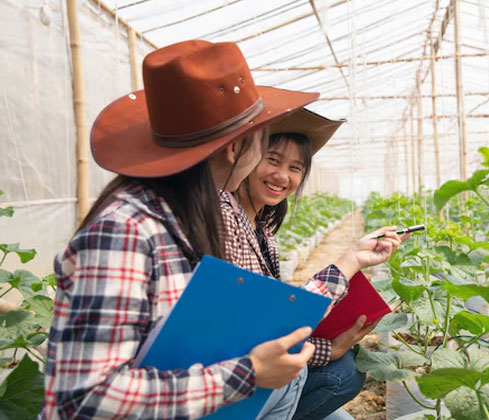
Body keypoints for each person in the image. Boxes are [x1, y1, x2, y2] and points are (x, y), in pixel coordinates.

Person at [40, 40, 403, 420]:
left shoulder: (186, 216)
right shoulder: (125, 231)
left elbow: (248, 322)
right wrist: (248, 374)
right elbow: (83, 399)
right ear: (237, 150)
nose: (280, 171)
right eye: (265, 143)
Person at [219, 109, 407, 420]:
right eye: (273, 160)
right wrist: (349, 261)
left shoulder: (262, 226)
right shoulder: (225, 216)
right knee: (342, 375)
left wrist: (331, 347)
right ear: (245, 154)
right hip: (232, 379)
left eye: (295, 167)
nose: (283, 176)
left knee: (345, 374)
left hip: (254, 369)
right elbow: (266, 327)